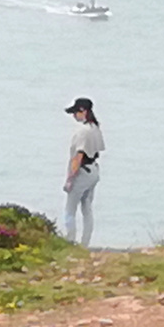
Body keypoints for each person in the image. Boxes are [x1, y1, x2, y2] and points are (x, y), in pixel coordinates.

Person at [62, 96, 105, 246]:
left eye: (75, 112)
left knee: (70, 209)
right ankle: (85, 243)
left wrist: (70, 179)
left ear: (83, 111)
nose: (74, 116)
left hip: (82, 172)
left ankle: (70, 240)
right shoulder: (95, 128)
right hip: (93, 170)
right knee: (87, 208)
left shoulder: (82, 132)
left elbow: (78, 157)